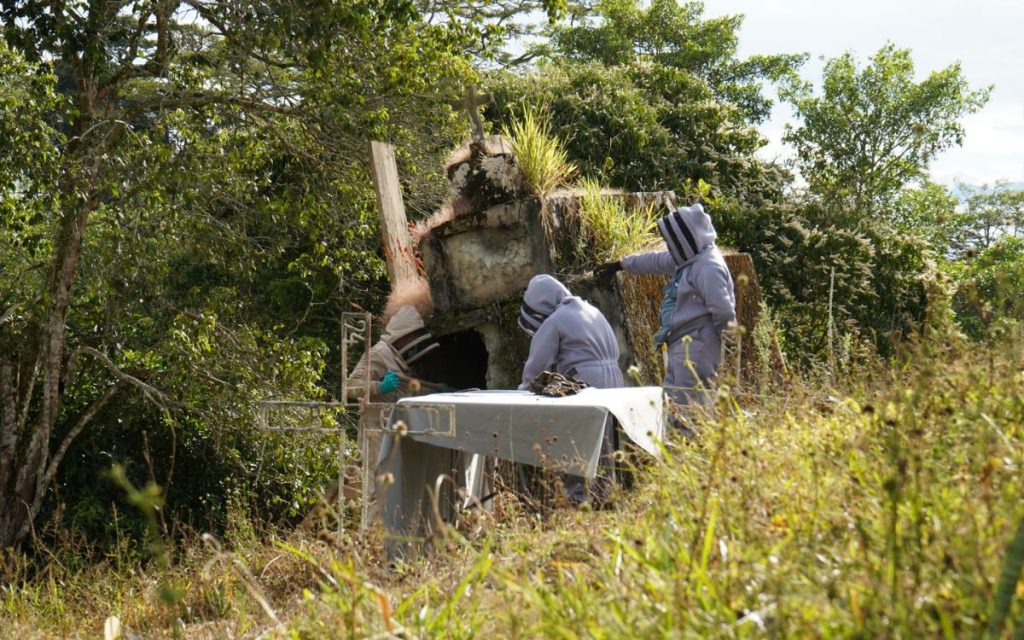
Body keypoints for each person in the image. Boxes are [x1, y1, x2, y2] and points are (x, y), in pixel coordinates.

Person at [598, 203, 736, 406]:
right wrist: (621, 264)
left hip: (697, 344)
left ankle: (689, 439)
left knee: (688, 408)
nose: (669, 247)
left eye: (670, 242)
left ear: (685, 238)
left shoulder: (707, 266)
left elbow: (723, 312)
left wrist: (730, 345)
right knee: (675, 404)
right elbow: (656, 261)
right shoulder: (693, 258)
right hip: (684, 341)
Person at [517, 274, 623, 506]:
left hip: (586, 382)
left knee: (579, 442)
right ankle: (605, 496)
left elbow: (535, 369)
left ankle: (578, 501)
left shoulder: (555, 320)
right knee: (604, 445)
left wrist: (522, 392)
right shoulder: (590, 309)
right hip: (614, 382)